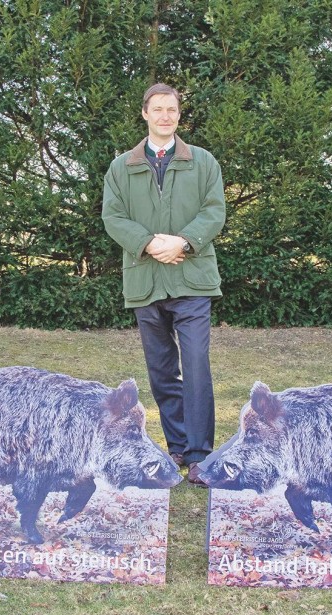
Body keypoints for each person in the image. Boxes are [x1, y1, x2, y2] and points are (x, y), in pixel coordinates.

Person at [102, 83, 225, 486]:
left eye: (171, 109)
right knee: (160, 370)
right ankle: (176, 443)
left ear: (178, 114)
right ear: (145, 114)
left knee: (196, 366)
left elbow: (214, 210)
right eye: (158, 110)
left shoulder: (203, 162)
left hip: (192, 280)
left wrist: (183, 242)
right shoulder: (121, 167)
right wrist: (149, 243)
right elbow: (113, 216)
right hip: (146, 280)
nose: (165, 116)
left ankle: (200, 453)